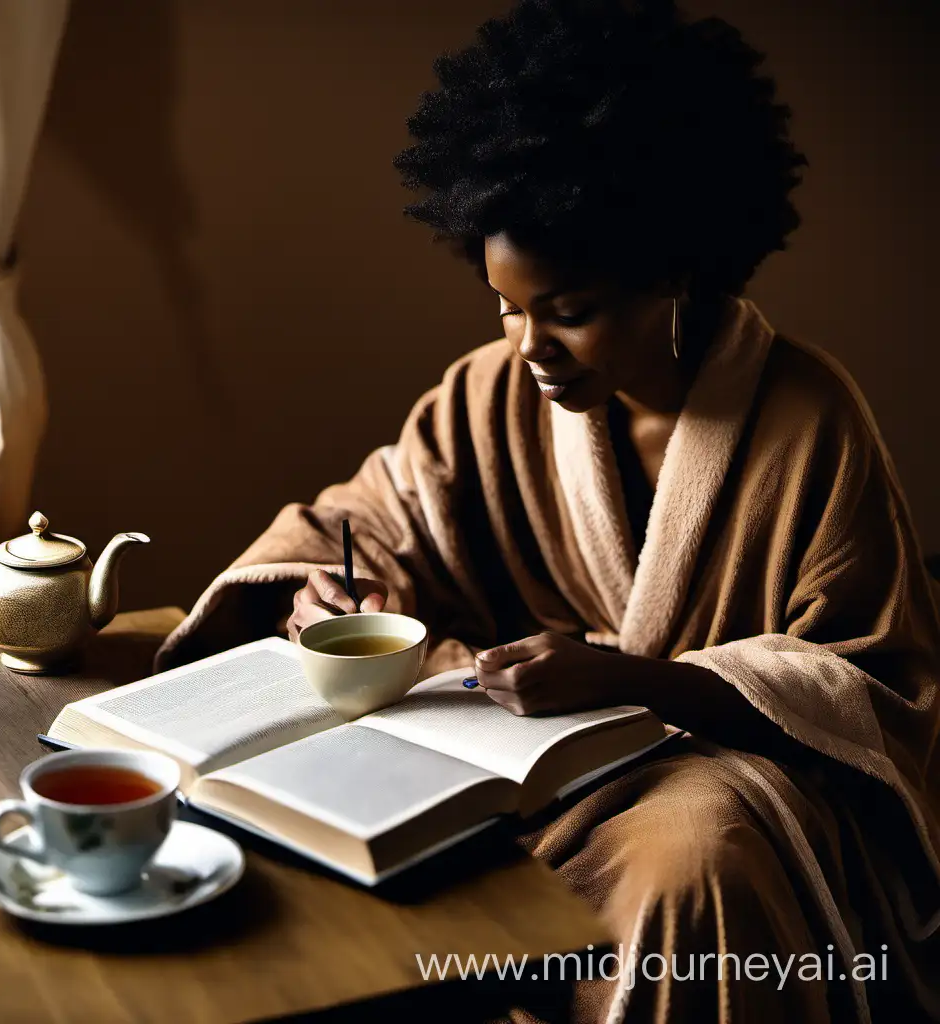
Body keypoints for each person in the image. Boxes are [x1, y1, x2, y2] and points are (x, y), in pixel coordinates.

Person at [157, 1, 940, 1020]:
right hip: (507, 755)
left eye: (568, 312)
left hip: (711, 767)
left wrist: (640, 681)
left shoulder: (809, 416)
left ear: (678, 272)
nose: (529, 348)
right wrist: (333, 588)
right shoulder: (487, 392)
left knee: (694, 865)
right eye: (505, 307)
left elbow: (874, 684)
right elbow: (370, 513)